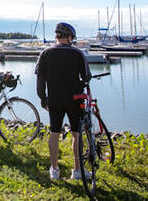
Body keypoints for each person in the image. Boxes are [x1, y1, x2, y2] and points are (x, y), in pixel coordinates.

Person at [35, 22, 92, 180]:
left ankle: (54, 169)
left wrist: (42, 98)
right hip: (75, 99)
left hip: (54, 98)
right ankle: (78, 170)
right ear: (69, 37)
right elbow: (87, 76)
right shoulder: (77, 53)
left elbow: (40, 80)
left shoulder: (45, 53)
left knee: (54, 132)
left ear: (56, 37)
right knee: (76, 134)